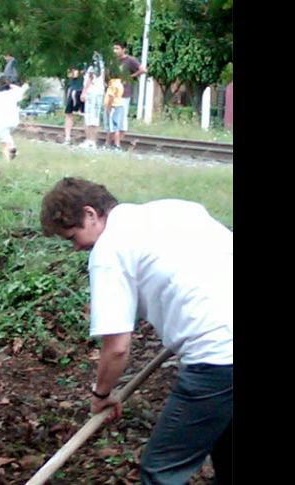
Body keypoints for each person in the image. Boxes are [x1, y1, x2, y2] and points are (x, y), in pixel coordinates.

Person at [39, 177, 232, 485]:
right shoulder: (175, 210)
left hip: (219, 359)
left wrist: (101, 394)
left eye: (72, 236)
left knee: (161, 471)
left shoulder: (109, 251)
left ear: (91, 214)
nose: (76, 247)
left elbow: (116, 347)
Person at [112, 41, 147, 142]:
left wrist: (130, 77)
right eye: (114, 48)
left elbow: (143, 70)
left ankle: (117, 142)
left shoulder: (130, 60)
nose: (115, 51)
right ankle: (111, 142)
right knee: (112, 118)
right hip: (113, 92)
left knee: (121, 119)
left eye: (117, 48)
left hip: (124, 93)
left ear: (123, 49)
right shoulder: (113, 61)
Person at [79, 52, 105, 149]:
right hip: (99, 91)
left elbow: (90, 77)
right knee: (95, 116)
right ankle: (93, 141)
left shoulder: (91, 61)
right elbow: (102, 76)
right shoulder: (101, 61)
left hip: (91, 91)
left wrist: (84, 92)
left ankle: (90, 140)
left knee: (89, 116)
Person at [63, 65, 85, 144]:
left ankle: (85, 137)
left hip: (84, 90)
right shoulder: (73, 61)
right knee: (69, 113)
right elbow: (70, 74)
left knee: (85, 114)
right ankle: (67, 137)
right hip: (74, 89)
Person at [102, 77, 125, 150]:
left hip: (113, 107)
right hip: (118, 106)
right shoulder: (119, 83)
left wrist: (108, 108)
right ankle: (108, 144)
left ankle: (116, 145)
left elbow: (111, 96)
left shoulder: (113, 84)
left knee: (113, 127)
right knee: (114, 126)